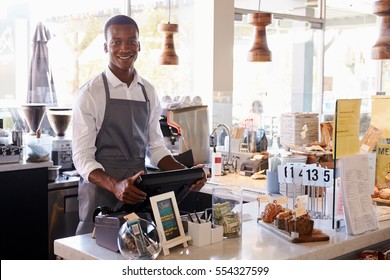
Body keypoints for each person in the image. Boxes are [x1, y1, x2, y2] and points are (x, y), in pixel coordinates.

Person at [72, 15, 206, 235]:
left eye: (131, 41)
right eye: (116, 42)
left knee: (137, 253)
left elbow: (156, 149)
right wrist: (115, 185)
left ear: (139, 45)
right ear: (106, 47)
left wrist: (188, 175)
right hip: (101, 194)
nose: (124, 48)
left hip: (138, 194)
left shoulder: (148, 92)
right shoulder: (90, 94)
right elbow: (82, 157)